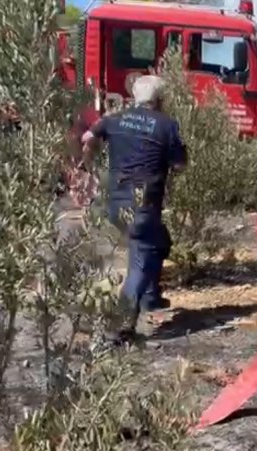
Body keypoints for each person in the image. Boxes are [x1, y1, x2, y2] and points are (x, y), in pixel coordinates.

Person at [82, 75, 186, 345]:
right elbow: (180, 164)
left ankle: (151, 298)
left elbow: (89, 136)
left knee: (159, 242)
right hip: (144, 203)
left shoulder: (114, 119)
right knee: (141, 259)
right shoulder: (166, 124)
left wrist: (88, 166)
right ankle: (119, 325)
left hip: (116, 204)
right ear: (160, 99)